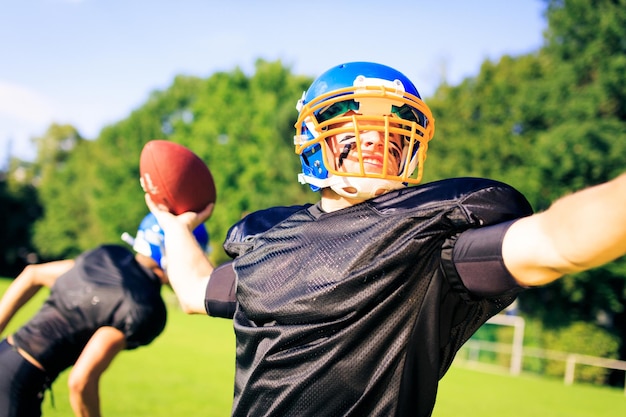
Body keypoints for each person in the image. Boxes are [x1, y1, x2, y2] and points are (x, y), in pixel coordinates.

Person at [144, 62, 626, 417]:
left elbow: (559, 240)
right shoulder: (268, 238)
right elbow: (193, 291)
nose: (375, 141)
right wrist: (172, 223)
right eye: (355, 129)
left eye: (390, 132)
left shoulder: (431, 243)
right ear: (314, 139)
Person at [0, 213, 209, 417]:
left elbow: (32, 275)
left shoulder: (108, 256)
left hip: (5, 352)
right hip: (18, 386)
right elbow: (80, 382)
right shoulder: (146, 308)